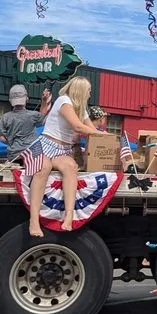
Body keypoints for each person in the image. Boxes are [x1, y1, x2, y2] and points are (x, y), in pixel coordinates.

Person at [28, 77, 105, 237]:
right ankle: (33, 220)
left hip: (63, 150)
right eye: (89, 91)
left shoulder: (81, 109)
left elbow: (91, 129)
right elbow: (78, 127)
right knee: (43, 168)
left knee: (71, 168)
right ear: (81, 90)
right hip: (46, 145)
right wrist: (100, 133)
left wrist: (106, 137)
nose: (90, 94)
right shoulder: (64, 101)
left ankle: (69, 216)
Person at [0, 84, 52, 162]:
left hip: (14, 156)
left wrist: (12, 143)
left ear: (10, 100)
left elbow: (2, 139)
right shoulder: (32, 115)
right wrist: (44, 100)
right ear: (26, 99)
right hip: (32, 154)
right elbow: (43, 114)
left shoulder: (5, 117)